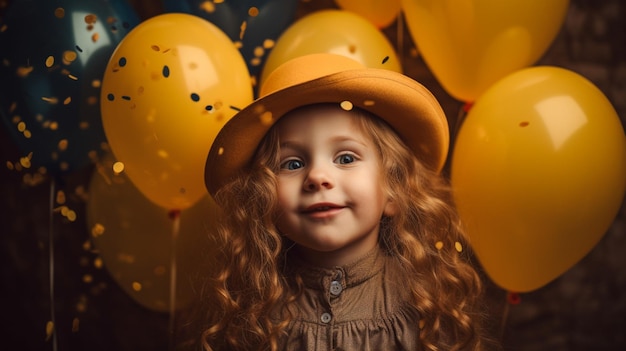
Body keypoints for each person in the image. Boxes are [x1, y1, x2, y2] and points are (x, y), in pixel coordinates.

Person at [197, 53, 490, 351]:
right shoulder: (251, 311)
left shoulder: (425, 304)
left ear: (394, 188)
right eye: (292, 164)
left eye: (346, 158)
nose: (317, 177)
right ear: (263, 199)